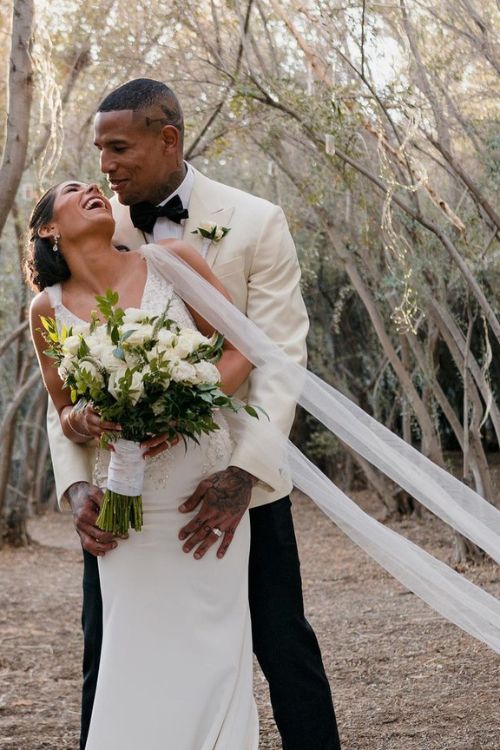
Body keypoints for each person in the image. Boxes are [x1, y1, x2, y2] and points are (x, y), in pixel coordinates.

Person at [46, 79, 341, 750]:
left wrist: (242, 474)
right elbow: (64, 380)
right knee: (109, 650)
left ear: (167, 139)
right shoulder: (96, 229)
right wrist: (77, 485)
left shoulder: (254, 221)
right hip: (127, 491)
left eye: (119, 148)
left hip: (234, 476)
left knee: (281, 644)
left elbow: (277, 358)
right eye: (99, 151)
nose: (105, 167)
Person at [28, 180, 259, 748]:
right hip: (125, 502)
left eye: (92, 184)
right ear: (47, 229)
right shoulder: (46, 309)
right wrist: (78, 419)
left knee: (214, 646)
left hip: (200, 489)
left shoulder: (172, 261)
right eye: (71, 189)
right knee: (132, 648)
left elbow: (241, 350)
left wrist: (190, 408)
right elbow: (64, 410)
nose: (90, 187)